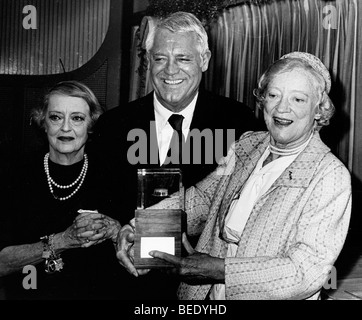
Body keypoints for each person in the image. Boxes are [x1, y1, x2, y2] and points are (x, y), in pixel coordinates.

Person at [116, 52, 352, 300]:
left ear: (319, 109)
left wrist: (219, 269)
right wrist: (139, 226)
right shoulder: (246, 145)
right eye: (273, 95)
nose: (282, 108)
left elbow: (306, 271)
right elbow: (201, 200)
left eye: (298, 99)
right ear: (262, 99)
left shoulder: (329, 175)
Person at [90, 11, 263, 300]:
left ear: (204, 60)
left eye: (183, 59)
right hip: (127, 282)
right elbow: (98, 203)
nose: (170, 70)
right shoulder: (113, 126)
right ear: (148, 61)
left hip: (207, 289)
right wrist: (117, 234)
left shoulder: (239, 124)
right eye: (160, 58)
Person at [0, 81, 123, 300]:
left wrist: (116, 230)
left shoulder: (113, 174)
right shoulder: (15, 175)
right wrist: (62, 241)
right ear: (43, 122)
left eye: (77, 118)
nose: (65, 128)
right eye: (56, 117)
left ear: (91, 124)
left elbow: (141, 253)